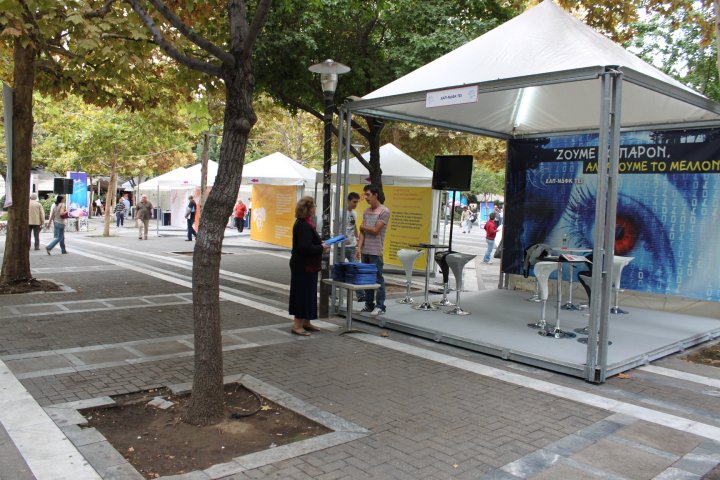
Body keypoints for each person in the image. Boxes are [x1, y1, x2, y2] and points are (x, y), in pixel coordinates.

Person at [288, 196, 329, 336]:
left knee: (309, 294)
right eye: (313, 206)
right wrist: (321, 247)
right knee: (301, 294)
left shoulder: (306, 223)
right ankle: (297, 325)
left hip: (307, 266)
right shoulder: (303, 225)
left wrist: (320, 244)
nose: (315, 209)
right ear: (308, 209)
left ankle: (307, 321)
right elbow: (304, 248)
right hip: (302, 266)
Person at [356, 184, 390, 315]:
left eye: (368, 195)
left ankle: (380, 305)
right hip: (365, 250)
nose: (366, 198)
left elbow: (376, 230)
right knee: (367, 279)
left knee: (377, 278)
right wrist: (358, 248)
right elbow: (362, 232)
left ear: (376, 195)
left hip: (376, 251)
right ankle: (369, 304)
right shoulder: (366, 211)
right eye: (365, 195)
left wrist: (364, 228)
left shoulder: (384, 211)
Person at [342, 192, 365, 302]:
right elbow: (335, 225)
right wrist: (343, 237)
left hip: (352, 246)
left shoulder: (354, 213)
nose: (355, 204)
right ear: (348, 200)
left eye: (357, 202)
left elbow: (354, 226)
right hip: (341, 246)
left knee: (356, 268)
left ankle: (360, 295)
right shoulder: (341, 212)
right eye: (354, 202)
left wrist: (357, 238)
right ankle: (331, 292)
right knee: (339, 269)